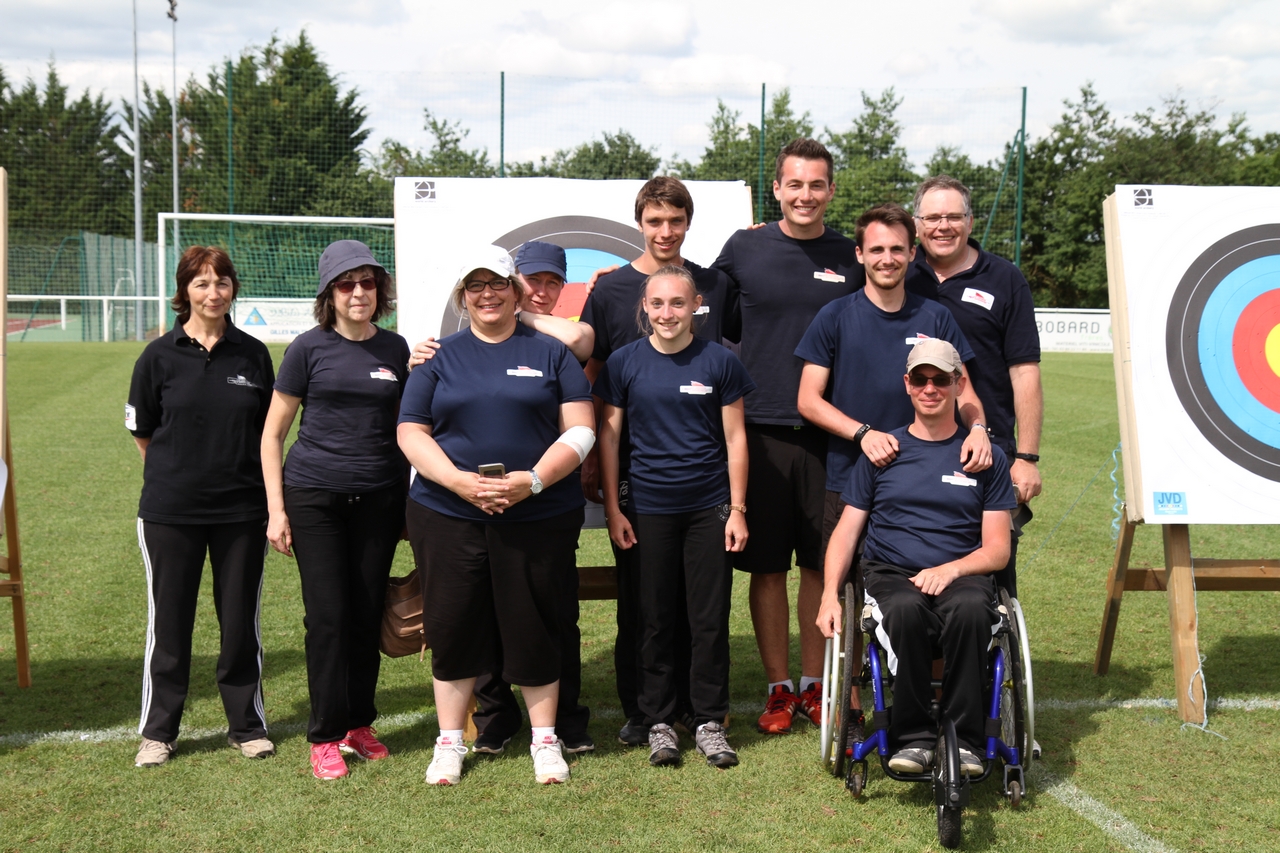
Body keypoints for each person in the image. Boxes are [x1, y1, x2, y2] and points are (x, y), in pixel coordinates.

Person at [398, 245, 595, 786]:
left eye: (498, 283)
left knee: (535, 625)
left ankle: (545, 740)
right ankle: (449, 742)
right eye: (476, 286)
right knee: (453, 625)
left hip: (538, 513)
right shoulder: (437, 355)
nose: (488, 294)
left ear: (515, 290)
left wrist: (530, 481)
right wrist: (458, 482)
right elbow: (410, 431)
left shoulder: (552, 353)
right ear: (463, 297)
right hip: (447, 513)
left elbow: (580, 430)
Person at [710, 138, 862, 733]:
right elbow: (711, 322)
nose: (805, 195)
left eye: (817, 185)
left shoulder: (851, 256)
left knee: (823, 566)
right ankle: (778, 688)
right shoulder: (743, 249)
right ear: (776, 188)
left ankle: (815, 682)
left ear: (830, 190)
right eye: (794, 184)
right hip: (761, 433)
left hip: (832, 435)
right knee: (768, 567)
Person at [579, 176, 734, 745]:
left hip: (702, 478)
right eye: (655, 221)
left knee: (700, 604)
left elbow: (732, 363)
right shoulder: (613, 288)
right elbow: (594, 374)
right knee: (643, 603)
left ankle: (702, 713)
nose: (665, 231)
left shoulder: (715, 282)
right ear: (640, 223)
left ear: (688, 224)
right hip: (640, 480)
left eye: (675, 221)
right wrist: (594, 455)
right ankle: (645, 712)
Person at [817, 339, 1015, 776]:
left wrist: (951, 569)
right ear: (907, 384)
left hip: (961, 572)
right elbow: (846, 532)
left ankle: (965, 741)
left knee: (969, 609)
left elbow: (998, 549)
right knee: (904, 611)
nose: (931, 388)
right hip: (892, 573)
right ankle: (914, 738)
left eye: (941, 379)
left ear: (958, 384)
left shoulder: (985, 458)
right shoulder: (881, 453)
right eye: (921, 379)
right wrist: (830, 594)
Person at [260, 240, 410, 781]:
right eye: (347, 284)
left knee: (367, 614)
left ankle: (358, 724)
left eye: (367, 283)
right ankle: (324, 734)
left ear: (379, 290)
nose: (359, 293)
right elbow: (273, 434)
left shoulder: (396, 350)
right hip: (314, 498)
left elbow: (409, 429)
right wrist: (276, 510)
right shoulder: (307, 348)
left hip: (379, 499)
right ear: (330, 293)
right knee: (328, 618)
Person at [595, 265, 754, 768]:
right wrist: (615, 508)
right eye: (658, 304)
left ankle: (709, 720)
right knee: (654, 620)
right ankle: (658, 721)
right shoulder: (623, 362)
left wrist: (738, 510)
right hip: (647, 510)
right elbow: (611, 438)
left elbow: (735, 439)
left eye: (678, 304)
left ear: (696, 306)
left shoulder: (720, 362)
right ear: (645, 306)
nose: (668, 313)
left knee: (708, 620)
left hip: (709, 511)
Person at [126, 245, 275, 768]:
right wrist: (183, 474)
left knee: (239, 624)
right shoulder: (157, 356)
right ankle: (159, 732)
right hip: (170, 513)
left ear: (233, 289)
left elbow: (267, 434)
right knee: (170, 626)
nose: (213, 293)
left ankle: (246, 726)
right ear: (184, 290)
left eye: (222, 282)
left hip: (241, 512)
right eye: (202, 283)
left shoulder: (254, 354)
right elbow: (143, 432)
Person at [796, 202, 990, 563]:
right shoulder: (835, 316)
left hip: (922, 481)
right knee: (839, 588)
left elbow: (964, 390)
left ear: (912, 253)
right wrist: (863, 434)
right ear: (860, 254)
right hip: (851, 477)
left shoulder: (936, 317)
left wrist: (978, 428)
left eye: (897, 248)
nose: (888, 258)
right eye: (877, 249)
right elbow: (808, 400)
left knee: (918, 591)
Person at [905, 175, 1042, 597]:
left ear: (970, 220)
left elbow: (1025, 372)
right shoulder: (897, 271)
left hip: (987, 449)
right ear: (915, 223)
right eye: (932, 217)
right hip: (914, 446)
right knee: (907, 561)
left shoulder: (1005, 278)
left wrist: (1028, 457)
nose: (942, 226)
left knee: (990, 575)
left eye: (953, 216)